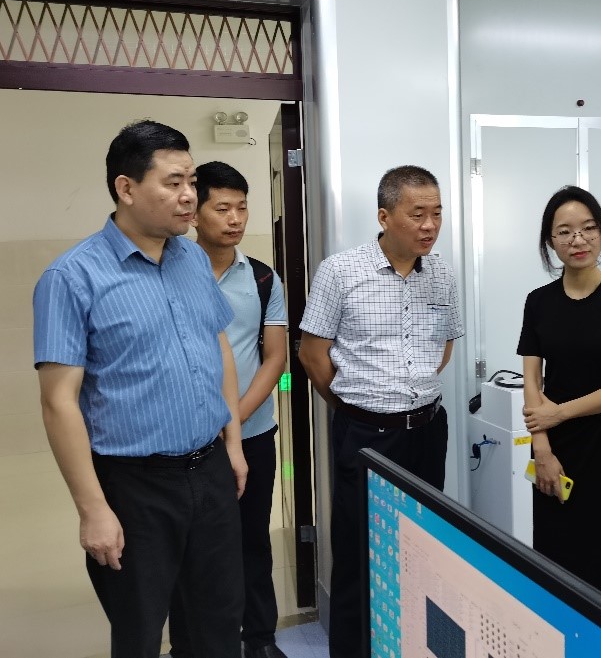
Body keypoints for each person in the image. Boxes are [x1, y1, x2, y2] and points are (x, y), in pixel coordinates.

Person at [33, 120, 247, 658]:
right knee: (139, 630)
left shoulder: (192, 258)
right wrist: (92, 509)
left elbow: (218, 345)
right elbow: (59, 402)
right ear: (126, 188)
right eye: (173, 183)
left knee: (218, 621)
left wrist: (234, 443)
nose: (189, 195)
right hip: (134, 485)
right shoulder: (72, 278)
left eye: (191, 181)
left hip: (210, 470)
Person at [298, 165, 463, 658]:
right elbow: (312, 354)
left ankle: (412, 645)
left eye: (437, 214)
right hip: (366, 436)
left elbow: (444, 347)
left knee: (423, 546)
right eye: (418, 214)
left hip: (427, 429)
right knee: (359, 552)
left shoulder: (443, 275)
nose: (430, 225)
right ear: (384, 216)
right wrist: (355, 407)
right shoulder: (341, 271)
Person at [168, 161, 289, 658]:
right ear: (195, 213)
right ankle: (189, 645)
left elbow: (275, 357)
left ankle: (259, 638)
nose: (235, 218)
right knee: (188, 547)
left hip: (253, 433)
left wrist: (232, 419)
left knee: (251, 539)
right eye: (222, 208)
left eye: (242, 208)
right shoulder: (168, 272)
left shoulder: (262, 279)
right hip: (186, 439)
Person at [518, 186, 601, 603]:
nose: (578, 240)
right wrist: (542, 448)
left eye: (589, 228)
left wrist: (559, 414)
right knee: (557, 575)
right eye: (565, 232)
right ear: (550, 241)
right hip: (555, 456)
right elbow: (531, 381)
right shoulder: (537, 302)